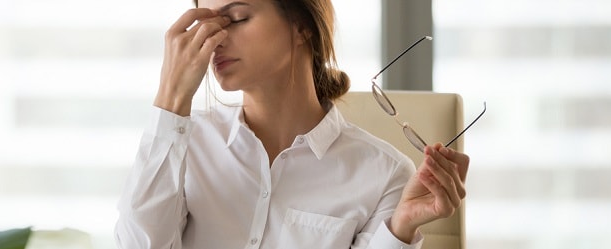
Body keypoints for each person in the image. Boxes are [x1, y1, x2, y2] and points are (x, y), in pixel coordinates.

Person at [115, 0, 470, 248]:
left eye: (236, 18)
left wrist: (400, 230)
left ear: (302, 27)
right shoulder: (182, 143)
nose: (215, 40)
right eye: (206, 25)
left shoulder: (384, 174)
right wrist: (170, 101)